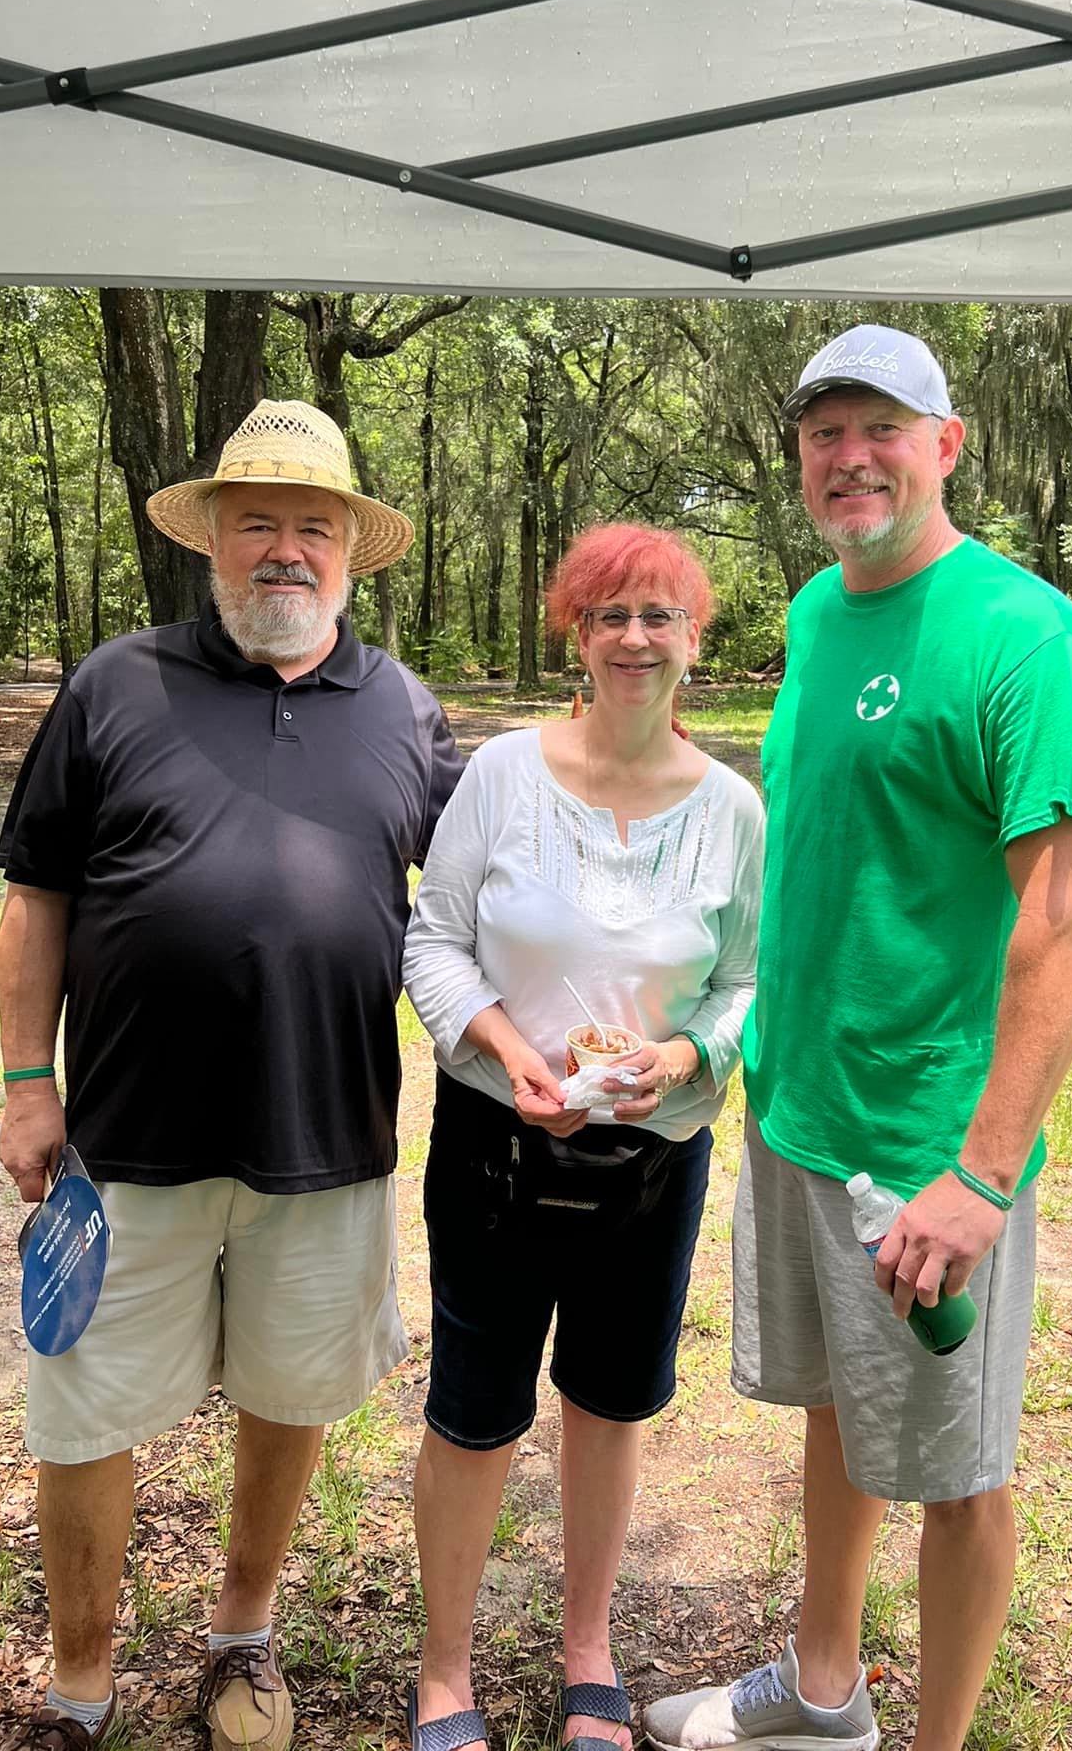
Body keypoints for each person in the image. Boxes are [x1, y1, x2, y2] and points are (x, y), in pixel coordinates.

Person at [646, 328, 1072, 1751]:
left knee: (960, 1473)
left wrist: (980, 1176)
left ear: (947, 445)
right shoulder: (814, 612)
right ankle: (827, 1690)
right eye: (822, 433)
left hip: (929, 1143)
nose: (850, 457)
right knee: (840, 1412)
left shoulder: (1028, 640)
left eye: (882, 428)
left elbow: (1068, 922)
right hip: (803, 1113)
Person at [0, 400, 462, 1751]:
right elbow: (36, 896)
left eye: (314, 526)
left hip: (326, 1142)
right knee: (81, 1411)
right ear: (211, 538)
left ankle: (240, 1638)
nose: (284, 550)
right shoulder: (116, 684)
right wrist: (31, 1085)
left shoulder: (406, 710)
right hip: (127, 1144)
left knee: (289, 1391)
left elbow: (488, 902)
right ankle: (79, 1687)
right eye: (256, 520)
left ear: (352, 556)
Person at [400, 523, 764, 1751]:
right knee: (473, 1408)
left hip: (655, 1156)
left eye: (659, 614)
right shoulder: (503, 775)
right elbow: (433, 939)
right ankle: (444, 1671)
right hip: (499, 1146)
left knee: (611, 1403)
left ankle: (589, 1653)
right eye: (610, 614)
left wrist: (685, 1056)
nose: (634, 637)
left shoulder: (731, 809)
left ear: (694, 641)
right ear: (577, 630)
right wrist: (508, 1049)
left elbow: (751, 983)